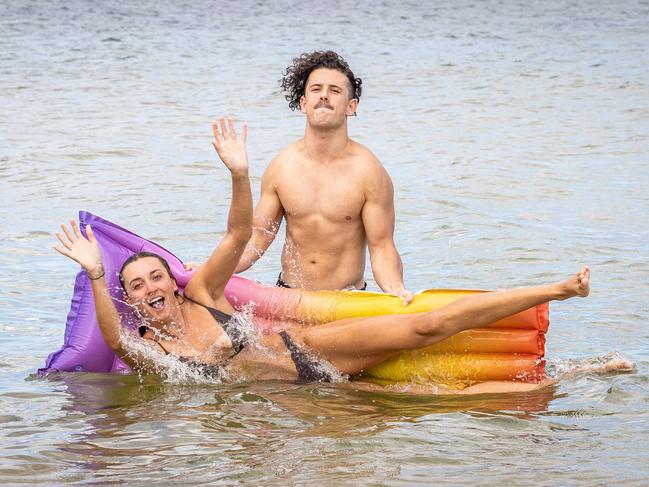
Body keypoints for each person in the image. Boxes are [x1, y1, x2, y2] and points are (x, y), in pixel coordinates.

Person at [53, 118, 597, 393]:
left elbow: (238, 233)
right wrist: (98, 274)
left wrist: (240, 174)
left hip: (307, 349)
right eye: (139, 285)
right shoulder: (151, 354)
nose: (152, 288)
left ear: (171, 281)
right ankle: (577, 374)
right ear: (130, 297)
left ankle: (555, 290)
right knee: (427, 399)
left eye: (156, 276)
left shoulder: (200, 294)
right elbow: (113, 333)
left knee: (424, 329)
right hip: (298, 394)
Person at [234, 51, 413, 304]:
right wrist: (217, 268)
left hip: (345, 302)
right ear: (304, 103)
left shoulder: (369, 172)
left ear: (351, 107)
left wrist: (396, 290)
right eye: (316, 89)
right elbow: (258, 238)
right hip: (289, 296)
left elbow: (382, 247)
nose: (324, 95)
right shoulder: (281, 167)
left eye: (335, 90)